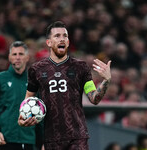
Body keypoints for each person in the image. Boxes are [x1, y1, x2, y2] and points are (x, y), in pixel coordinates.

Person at [18, 21, 111, 150]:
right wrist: (22, 118)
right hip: (51, 138)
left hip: (77, 136)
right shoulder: (36, 69)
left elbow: (94, 98)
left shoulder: (81, 67)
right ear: (48, 43)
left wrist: (106, 80)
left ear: (68, 42)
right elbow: (28, 98)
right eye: (57, 36)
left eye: (65, 36)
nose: (62, 39)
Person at [0, 41, 43, 150]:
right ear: (9, 57)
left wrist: (44, 141)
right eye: (14, 54)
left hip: (28, 141)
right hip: (4, 141)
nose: (17, 57)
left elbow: (42, 113)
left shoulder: (35, 82)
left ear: (27, 57)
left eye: (21, 54)